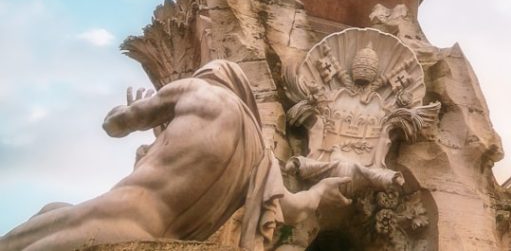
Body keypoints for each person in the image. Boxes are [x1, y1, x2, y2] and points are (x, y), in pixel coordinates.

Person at [0, 60, 347, 251]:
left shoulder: (197, 89)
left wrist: (134, 107)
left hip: (109, 215)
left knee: (27, 231)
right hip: (153, 237)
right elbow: (291, 207)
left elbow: (116, 125)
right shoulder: (260, 157)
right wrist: (320, 192)